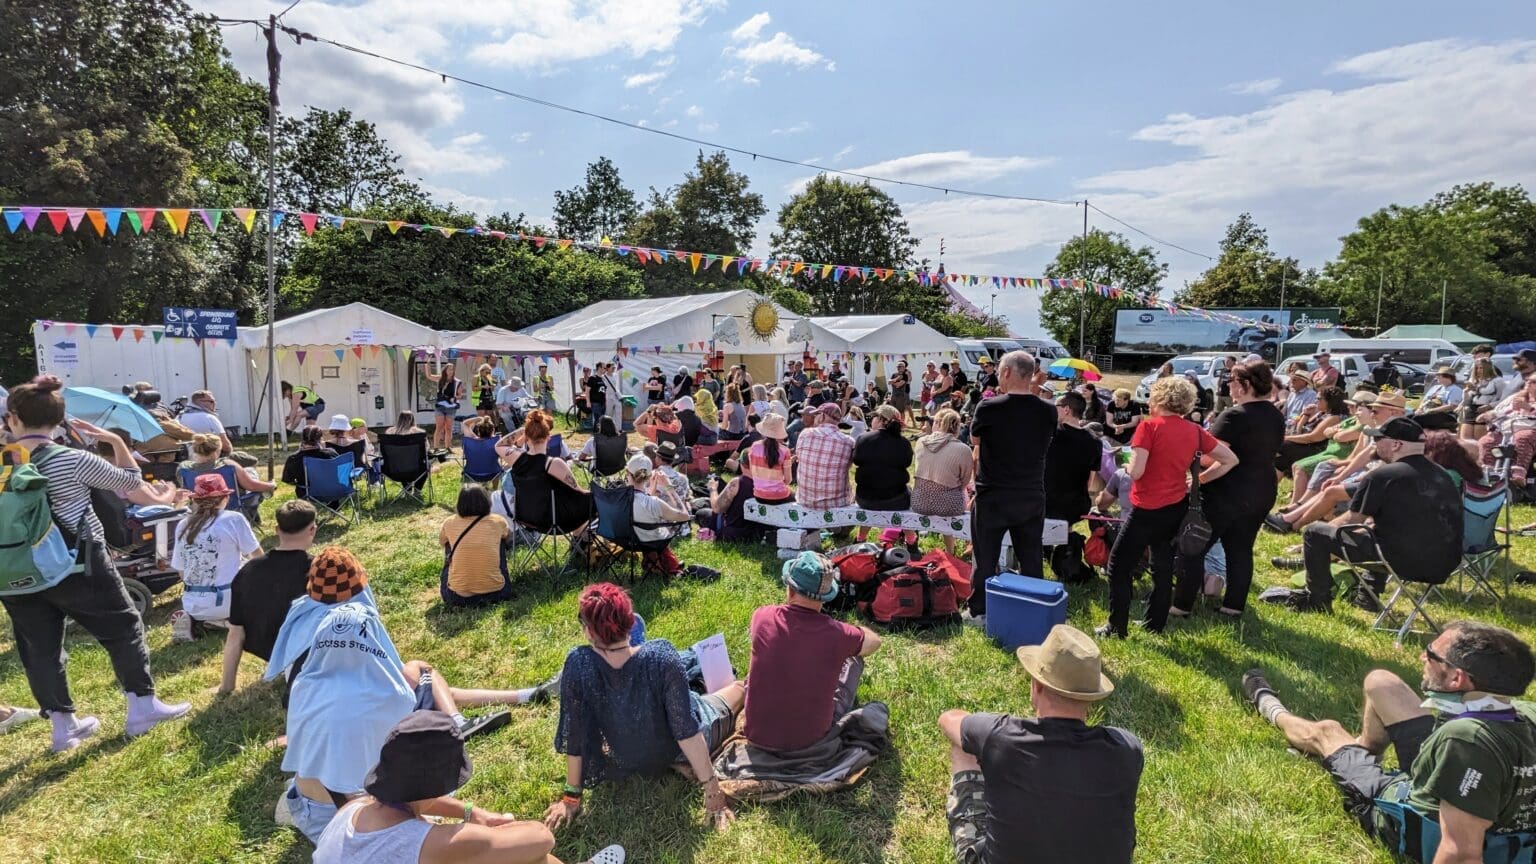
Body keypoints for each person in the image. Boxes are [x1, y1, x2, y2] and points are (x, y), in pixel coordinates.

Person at [270, 547, 543, 841]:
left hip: (311, 811)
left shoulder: (303, 686)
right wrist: (469, 813)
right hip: (357, 818)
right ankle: (477, 711)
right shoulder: (390, 698)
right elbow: (401, 792)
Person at [0, 375, 189, 752]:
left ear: (13, 418)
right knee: (123, 628)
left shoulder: (5, 463)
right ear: (60, 420)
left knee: (40, 649)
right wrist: (116, 442)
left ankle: (62, 726)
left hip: (16, 571)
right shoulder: (73, 458)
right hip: (78, 564)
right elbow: (133, 486)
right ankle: (142, 707)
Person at [1242, 622, 1536, 859]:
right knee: (1380, 682)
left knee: (1326, 731)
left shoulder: (1467, 741)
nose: (1423, 657)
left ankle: (1267, 704)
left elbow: (1460, 852)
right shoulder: (1522, 714)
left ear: (1456, 679)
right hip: (1456, 777)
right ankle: (1365, 748)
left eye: (1431, 655)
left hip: (1408, 814)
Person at [546, 583, 744, 833]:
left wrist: (571, 798)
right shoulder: (661, 656)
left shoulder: (578, 664)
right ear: (630, 622)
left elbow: (575, 736)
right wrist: (713, 793)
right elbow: (687, 731)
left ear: (588, 631)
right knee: (738, 689)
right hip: (680, 747)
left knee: (697, 690)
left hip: (631, 754)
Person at [938, 624, 1143, 864]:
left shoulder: (1000, 737)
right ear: (1091, 698)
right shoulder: (1128, 750)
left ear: (1036, 686)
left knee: (964, 747)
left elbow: (948, 719)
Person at [314, 711, 623, 864]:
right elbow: (542, 838)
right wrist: (498, 831)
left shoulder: (353, 809)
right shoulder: (426, 844)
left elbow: (414, 801)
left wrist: (474, 813)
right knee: (530, 859)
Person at [1270, 417, 1463, 612]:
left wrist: (1313, 542)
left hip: (1407, 564)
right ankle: (1367, 596)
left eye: (1379, 439)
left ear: (1396, 444)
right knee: (1377, 531)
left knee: (1314, 532)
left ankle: (1317, 600)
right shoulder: (1442, 474)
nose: (1375, 444)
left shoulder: (1383, 475)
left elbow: (1351, 521)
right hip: (1445, 563)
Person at [1098, 377, 1237, 638]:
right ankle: (1155, 623)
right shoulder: (1194, 430)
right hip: (1176, 506)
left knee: (1119, 565)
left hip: (1146, 507)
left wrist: (1126, 464)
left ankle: (1116, 627)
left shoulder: (1148, 428)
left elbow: (1137, 472)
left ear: (1159, 399)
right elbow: (1230, 459)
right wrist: (1199, 479)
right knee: (1162, 566)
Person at [1171, 360, 1284, 620]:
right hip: (1262, 489)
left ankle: (1181, 606)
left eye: (1231, 381)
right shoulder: (1276, 415)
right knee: (1241, 549)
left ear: (1245, 384)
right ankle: (1232, 607)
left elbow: (1212, 457)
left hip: (1228, 491)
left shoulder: (1234, 416)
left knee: (1194, 546)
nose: (1228, 386)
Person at [743, 551, 881, 752]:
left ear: (790, 590)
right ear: (826, 597)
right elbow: (874, 642)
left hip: (756, 735)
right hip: (810, 740)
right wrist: (854, 631)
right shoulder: (838, 633)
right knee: (855, 661)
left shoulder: (762, 617)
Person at [967, 351, 1056, 622]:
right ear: (1031, 375)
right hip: (1030, 493)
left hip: (994, 493)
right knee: (1030, 558)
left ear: (1005, 372)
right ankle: (1033, 609)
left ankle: (979, 610)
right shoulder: (1048, 410)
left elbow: (975, 440)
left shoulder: (989, 407)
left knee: (985, 557)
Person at [217, 500, 317, 695]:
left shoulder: (247, 571)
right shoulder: (317, 569)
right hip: (305, 652)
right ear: (312, 529)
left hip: (265, 647)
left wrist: (226, 687)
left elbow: (236, 633)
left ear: (277, 529)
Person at [169, 473, 262, 642]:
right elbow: (258, 558)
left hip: (193, 602)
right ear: (225, 497)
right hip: (228, 600)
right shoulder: (234, 519)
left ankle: (199, 620)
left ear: (195, 500)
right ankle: (226, 621)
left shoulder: (183, 525)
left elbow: (181, 570)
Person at [502, 411, 593, 536]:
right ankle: (578, 540)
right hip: (555, 521)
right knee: (593, 500)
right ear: (548, 437)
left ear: (526, 438)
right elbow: (577, 491)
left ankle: (579, 541)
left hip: (526, 519)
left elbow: (498, 445)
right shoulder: (553, 463)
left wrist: (523, 430)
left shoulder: (516, 459)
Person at [1044, 392, 1102, 583]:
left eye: (1057, 406)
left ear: (1066, 410)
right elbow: (1090, 481)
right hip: (1076, 503)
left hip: (1045, 499)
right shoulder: (1094, 441)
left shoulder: (1051, 434)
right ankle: (1066, 554)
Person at [439, 484, 514, 607]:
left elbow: (442, 542)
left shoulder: (449, 522)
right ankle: (490, 578)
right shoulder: (498, 521)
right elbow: (508, 538)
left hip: (457, 598)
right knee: (500, 540)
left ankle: (462, 580)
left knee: (449, 543)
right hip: (498, 593)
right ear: (486, 502)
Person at [913, 408, 975, 557]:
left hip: (919, 502)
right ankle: (958, 549)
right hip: (950, 505)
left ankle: (951, 550)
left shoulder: (921, 442)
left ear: (937, 424)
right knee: (962, 492)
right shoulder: (964, 449)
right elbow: (965, 481)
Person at [1476, 373, 1536, 487]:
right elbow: (1504, 410)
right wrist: (1489, 415)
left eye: (1533, 382)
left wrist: (1529, 408)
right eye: (1528, 381)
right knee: (1487, 441)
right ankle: (1489, 473)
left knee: (1522, 437)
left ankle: (1518, 474)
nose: (1528, 383)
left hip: (1530, 428)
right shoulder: (1517, 397)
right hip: (1509, 429)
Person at [853, 405, 913, 515]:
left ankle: (862, 533)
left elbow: (856, 460)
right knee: (908, 489)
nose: (872, 419)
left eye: (874, 416)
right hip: (896, 500)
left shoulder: (863, 438)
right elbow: (907, 463)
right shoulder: (904, 442)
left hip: (865, 499)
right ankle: (906, 532)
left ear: (882, 420)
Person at [795, 404, 855, 510]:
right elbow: (848, 467)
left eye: (816, 414)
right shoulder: (848, 442)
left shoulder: (805, 434)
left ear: (822, 416)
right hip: (837, 504)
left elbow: (799, 457)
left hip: (805, 501)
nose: (815, 418)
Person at [1276, 385, 1347, 474]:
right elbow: (1299, 431)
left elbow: (1312, 438)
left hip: (1317, 449)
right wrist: (1305, 415)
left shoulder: (1334, 418)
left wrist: (1285, 438)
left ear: (1329, 401)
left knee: (1282, 446)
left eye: (1319, 399)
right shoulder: (1321, 413)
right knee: (1281, 458)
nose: (1315, 401)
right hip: (1307, 444)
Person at [745, 413, 794, 505]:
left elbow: (752, 472)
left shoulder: (754, 446)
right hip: (780, 497)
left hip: (759, 495)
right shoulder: (785, 451)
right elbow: (788, 480)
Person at [282, 425, 341, 501]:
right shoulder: (330, 453)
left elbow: (288, 480)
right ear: (320, 438)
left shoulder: (294, 458)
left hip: (307, 493)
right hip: (333, 491)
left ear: (302, 439)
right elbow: (340, 472)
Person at [179, 389, 236, 456]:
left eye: (215, 401)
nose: (215, 403)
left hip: (184, 458)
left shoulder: (179, 417)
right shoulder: (209, 418)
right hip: (208, 459)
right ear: (199, 402)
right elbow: (226, 446)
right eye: (211, 401)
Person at [424, 364, 465, 453]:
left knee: (449, 428)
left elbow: (460, 395)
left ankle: (448, 447)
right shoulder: (440, 379)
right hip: (440, 406)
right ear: (445, 370)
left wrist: (454, 398)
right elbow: (429, 376)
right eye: (449, 369)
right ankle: (436, 448)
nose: (451, 371)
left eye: (452, 369)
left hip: (451, 407)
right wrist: (427, 364)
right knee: (439, 427)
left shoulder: (457, 382)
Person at [1461, 357, 1502, 440]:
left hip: (1485, 411)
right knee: (1465, 440)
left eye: (1481, 368)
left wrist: (1489, 406)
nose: (1478, 370)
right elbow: (1467, 399)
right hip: (1471, 410)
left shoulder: (1498, 381)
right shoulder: (1473, 380)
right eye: (1476, 368)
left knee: (1479, 440)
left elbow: (1503, 399)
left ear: (1488, 368)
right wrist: (1465, 392)